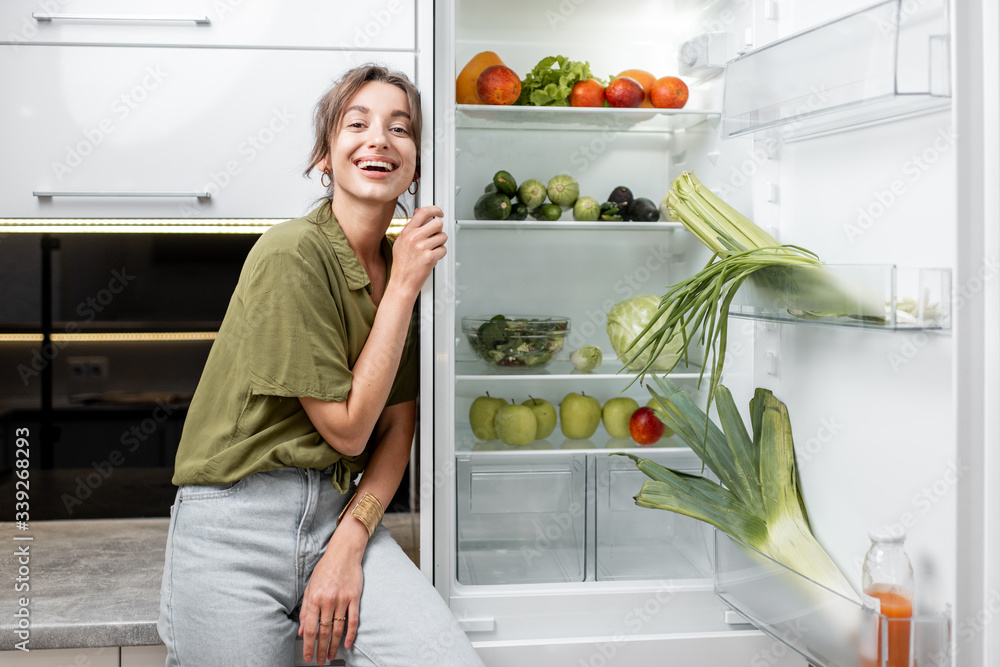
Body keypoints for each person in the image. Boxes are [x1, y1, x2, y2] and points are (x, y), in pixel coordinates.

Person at [157, 64, 485, 667]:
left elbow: (396, 427)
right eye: (356, 123)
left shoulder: (401, 264)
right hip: (235, 526)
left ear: (415, 164)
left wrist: (351, 538)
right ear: (324, 156)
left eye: (401, 128)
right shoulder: (291, 254)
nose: (380, 139)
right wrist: (404, 288)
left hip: (340, 514)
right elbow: (349, 428)